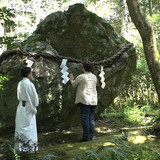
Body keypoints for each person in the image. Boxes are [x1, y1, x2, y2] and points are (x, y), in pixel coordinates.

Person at [69, 61, 98, 142]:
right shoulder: (94, 77)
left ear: (84, 68)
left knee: (85, 118)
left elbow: (74, 85)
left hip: (84, 99)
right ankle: (91, 135)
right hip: (93, 100)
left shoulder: (81, 76)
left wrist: (71, 79)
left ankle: (86, 136)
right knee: (91, 118)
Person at [14, 67, 39, 152]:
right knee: (29, 127)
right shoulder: (29, 84)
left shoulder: (20, 83)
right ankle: (29, 148)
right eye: (31, 73)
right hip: (28, 106)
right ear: (29, 74)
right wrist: (35, 104)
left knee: (21, 127)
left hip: (21, 106)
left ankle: (20, 148)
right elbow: (34, 97)